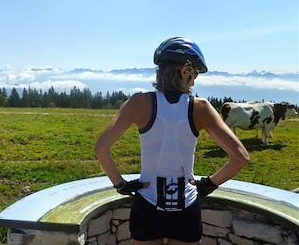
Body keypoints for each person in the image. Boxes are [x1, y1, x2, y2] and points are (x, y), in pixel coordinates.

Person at [95, 37, 250, 245]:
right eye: (194, 74)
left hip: (147, 204)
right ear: (185, 70)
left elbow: (101, 148)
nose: (194, 81)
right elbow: (240, 157)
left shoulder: (139, 102)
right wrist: (208, 184)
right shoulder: (201, 107)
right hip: (187, 206)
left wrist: (120, 184)